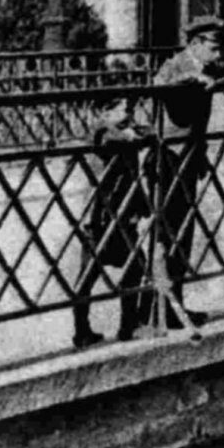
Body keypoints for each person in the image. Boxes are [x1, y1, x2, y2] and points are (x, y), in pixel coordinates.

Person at [132, 17, 224, 336]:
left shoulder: (209, 66)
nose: (219, 54)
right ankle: (151, 310)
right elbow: (163, 86)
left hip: (189, 162)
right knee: (162, 235)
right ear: (195, 43)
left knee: (182, 234)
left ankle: (172, 306)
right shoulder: (176, 65)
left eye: (221, 47)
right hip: (166, 162)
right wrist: (195, 79)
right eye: (213, 47)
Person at [71, 97, 153, 348]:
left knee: (136, 267)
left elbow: (143, 135)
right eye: (119, 107)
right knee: (87, 277)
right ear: (103, 111)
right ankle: (82, 330)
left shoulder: (124, 129)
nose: (127, 111)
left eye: (129, 107)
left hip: (121, 216)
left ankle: (128, 324)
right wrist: (134, 135)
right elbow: (111, 138)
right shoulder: (102, 131)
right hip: (100, 219)